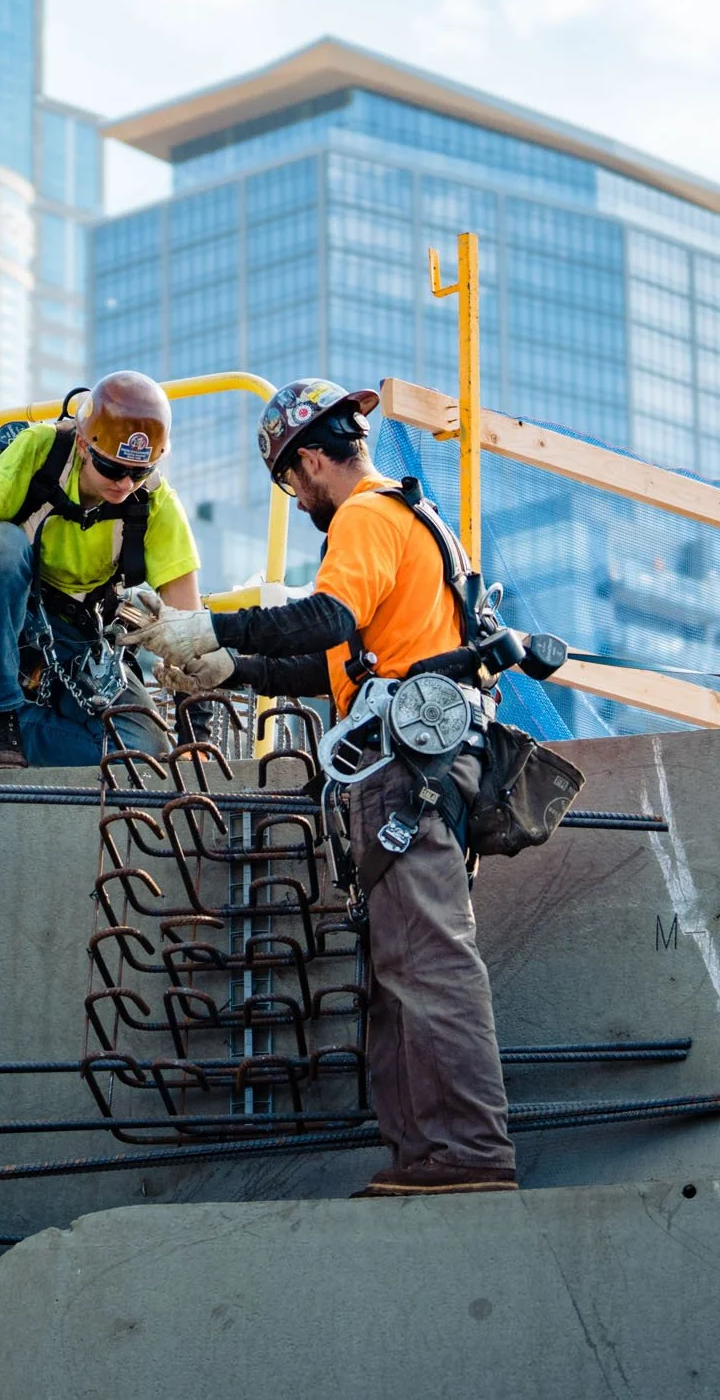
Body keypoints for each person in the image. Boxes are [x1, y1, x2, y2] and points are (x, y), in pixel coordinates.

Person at [123, 378, 517, 1196]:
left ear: (308, 460)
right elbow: (332, 659)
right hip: (417, 757)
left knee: (430, 962)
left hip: (408, 771)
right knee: (402, 966)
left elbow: (326, 618)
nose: (296, 499)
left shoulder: (367, 515)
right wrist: (236, 668)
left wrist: (211, 626)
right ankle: (428, 1156)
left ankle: (468, 1152)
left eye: (289, 482)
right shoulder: (409, 518)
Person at [0, 371, 202, 768]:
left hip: (76, 633)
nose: (124, 484)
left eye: (137, 472)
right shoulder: (40, 449)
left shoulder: (155, 503)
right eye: (111, 468)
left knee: (141, 756)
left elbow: (188, 626)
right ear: (84, 445)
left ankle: (6, 731)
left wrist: (197, 739)